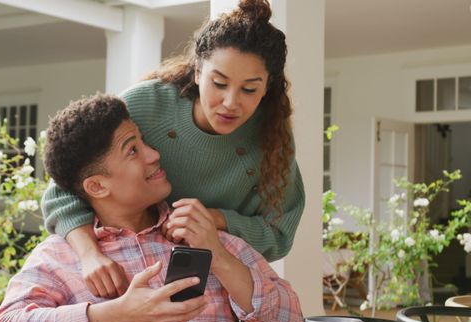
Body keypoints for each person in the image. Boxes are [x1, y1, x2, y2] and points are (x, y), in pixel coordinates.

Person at [42, 0, 305, 298]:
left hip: (215, 282)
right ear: (197, 73)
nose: (231, 102)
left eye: (249, 89)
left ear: (268, 87)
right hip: (125, 263)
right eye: (219, 83)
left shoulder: (272, 138)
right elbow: (69, 180)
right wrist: (89, 254)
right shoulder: (146, 105)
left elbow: (279, 233)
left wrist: (216, 219)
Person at [0, 94, 304, 322]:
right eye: (132, 150)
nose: (154, 154)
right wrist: (120, 314)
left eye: (143, 141)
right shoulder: (60, 257)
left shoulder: (208, 236)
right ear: (97, 186)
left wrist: (218, 256)